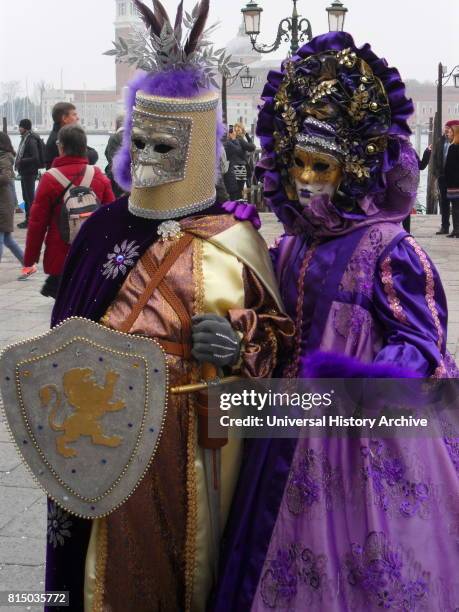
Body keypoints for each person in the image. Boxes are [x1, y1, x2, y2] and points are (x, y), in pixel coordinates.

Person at [43, 2, 292, 611]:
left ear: (199, 147)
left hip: (203, 452)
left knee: (194, 573)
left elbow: (283, 342)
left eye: (166, 143)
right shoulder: (102, 230)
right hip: (113, 439)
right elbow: (62, 340)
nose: (149, 155)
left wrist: (240, 341)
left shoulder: (238, 240)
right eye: (140, 140)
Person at [212, 32, 459, 612]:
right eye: (296, 163)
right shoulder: (293, 245)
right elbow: (273, 323)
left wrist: (365, 382)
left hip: (357, 442)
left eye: (320, 166)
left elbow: (422, 342)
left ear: (351, 170)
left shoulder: (388, 249)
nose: (304, 179)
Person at [23, 124, 114, 298]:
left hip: (60, 256)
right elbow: (111, 218)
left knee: (63, 307)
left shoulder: (49, 178)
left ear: (61, 147)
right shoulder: (98, 176)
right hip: (91, 254)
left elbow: (37, 224)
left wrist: (30, 257)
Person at [0, 132, 36, 277]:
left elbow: (6, 177)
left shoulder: (5, 157)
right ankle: (28, 265)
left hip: (3, 203)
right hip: (3, 200)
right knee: (7, 238)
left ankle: (28, 265)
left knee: (1, 236)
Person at [45, 102, 99, 169]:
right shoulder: (63, 139)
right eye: (74, 115)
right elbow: (91, 157)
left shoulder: (56, 136)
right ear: (64, 118)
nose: (78, 118)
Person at [433, 120, 458, 234]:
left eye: (449, 128)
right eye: (445, 127)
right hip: (442, 176)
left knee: (455, 203)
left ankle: (456, 229)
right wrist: (437, 174)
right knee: (444, 202)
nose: (446, 129)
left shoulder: (456, 143)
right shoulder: (440, 141)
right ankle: (445, 227)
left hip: (454, 178)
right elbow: (435, 157)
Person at [15, 119, 41, 228]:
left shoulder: (30, 140)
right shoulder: (25, 138)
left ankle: (31, 220)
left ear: (25, 127)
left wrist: (21, 161)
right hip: (25, 172)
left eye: (20, 126)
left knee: (29, 197)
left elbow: (35, 157)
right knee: (26, 197)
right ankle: (28, 219)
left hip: (29, 173)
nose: (18, 128)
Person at [223, 122, 256, 200]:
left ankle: (235, 208)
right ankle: (238, 208)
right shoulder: (240, 140)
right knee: (239, 193)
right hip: (240, 169)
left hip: (233, 170)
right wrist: (247, 135)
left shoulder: (228, 142)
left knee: (234, 193)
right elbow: (252, 147)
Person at [104, 114, 125, 197]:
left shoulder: (114, 138)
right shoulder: (134, 137)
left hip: (117, 183)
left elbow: (111, 157)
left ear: (117, 124)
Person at [444, 123, 459, 237]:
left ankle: (456, 230)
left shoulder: (453, 147)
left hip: (454, 183)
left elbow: (449, 167)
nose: (448, 134)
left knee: (455, 207)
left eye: (450, 132)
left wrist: (447, 181)